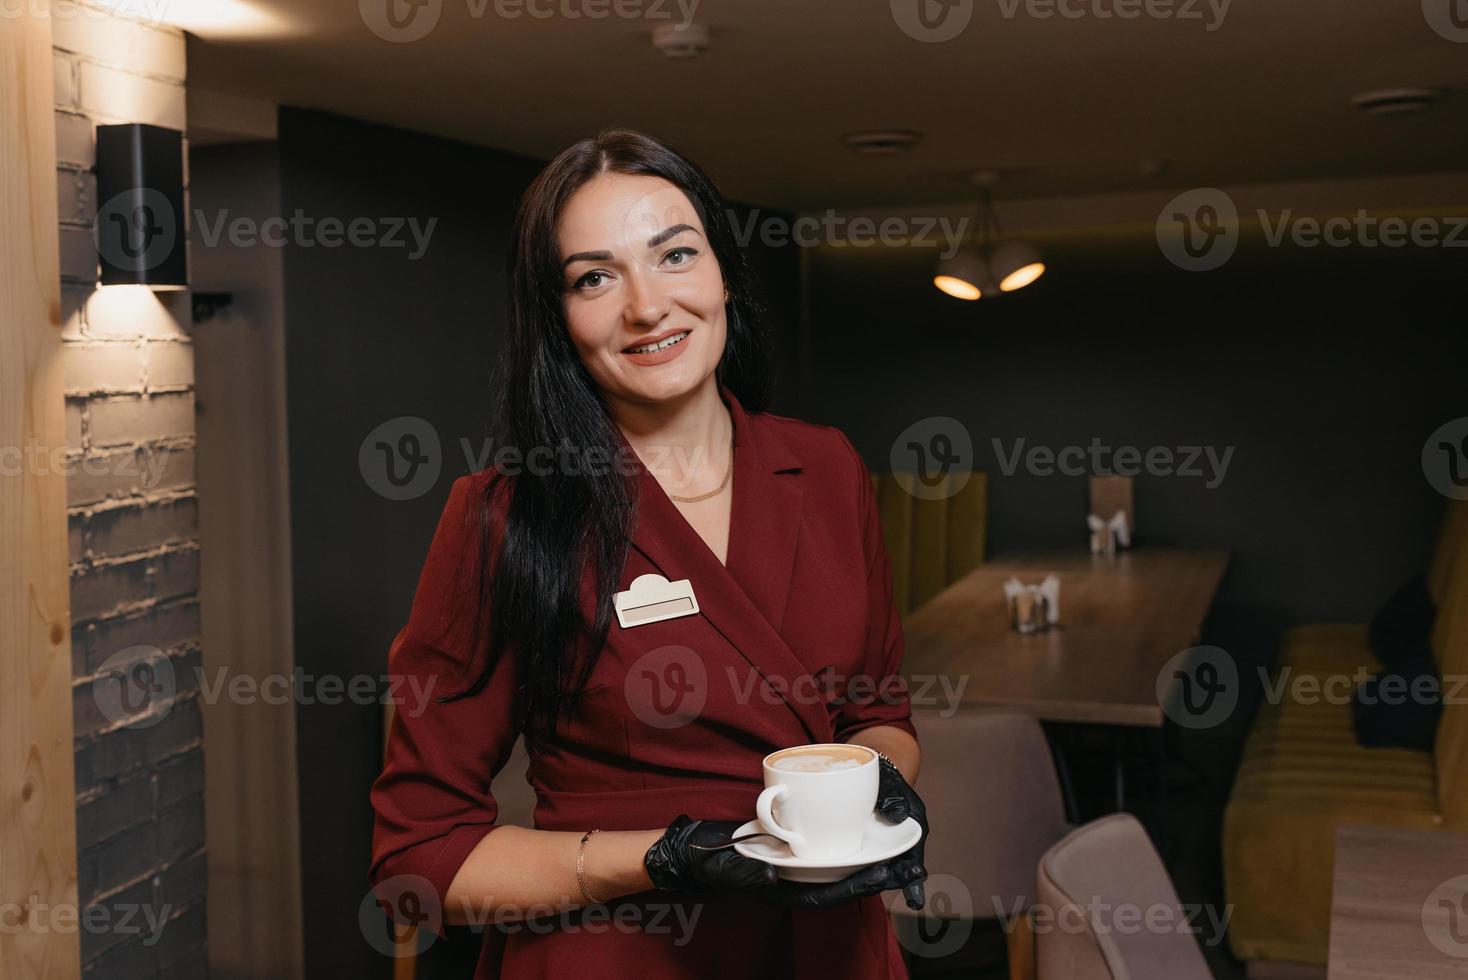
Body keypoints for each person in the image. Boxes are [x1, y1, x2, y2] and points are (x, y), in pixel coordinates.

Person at [369, 127, 928, 979]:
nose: (646, 306)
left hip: (831, 948)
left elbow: (876, 712)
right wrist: (664, 859)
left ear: (726, 275)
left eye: (675, 255)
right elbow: (421, 857)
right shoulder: (503, 517)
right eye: (595, 277)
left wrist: (879, 788)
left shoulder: (826, 467)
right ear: (555, 318)